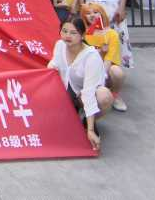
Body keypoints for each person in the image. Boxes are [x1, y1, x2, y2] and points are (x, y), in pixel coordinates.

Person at [48, 16, 113, 151]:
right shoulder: (60, 45)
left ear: (82, 35)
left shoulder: (91, 56)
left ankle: (88, 121)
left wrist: (90, 130)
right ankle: (71, 113)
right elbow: (53, 65)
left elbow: (89, 93)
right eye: (64, 31)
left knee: (104, 96)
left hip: (85, 94)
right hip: (65, 91)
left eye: (73, 33)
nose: (67, 36)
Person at [81, 3, 127, 112]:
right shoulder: (82, 34)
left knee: (117, 72)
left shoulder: (111, 34)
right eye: (88, 13)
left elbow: (109, 60)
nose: (92, 15)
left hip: (105, 72)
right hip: (87, 71)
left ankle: (114, 95)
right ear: (84, 16)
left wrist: (101, 77)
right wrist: (100, 52)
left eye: (95, 12)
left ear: (102, 14)